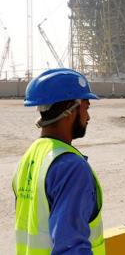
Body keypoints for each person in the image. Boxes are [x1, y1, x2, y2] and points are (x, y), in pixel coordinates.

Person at [13, 68, 104, 254]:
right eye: (86, 107)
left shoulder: (30, 157)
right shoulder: (71, 167)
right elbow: (70, 247)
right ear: (71, 110)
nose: (88, 117)